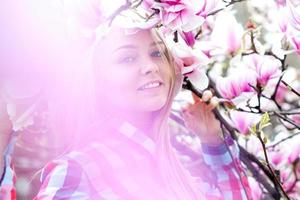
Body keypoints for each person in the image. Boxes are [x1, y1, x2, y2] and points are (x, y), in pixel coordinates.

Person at [1, 1, 252, 199]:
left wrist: (213, 141)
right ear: (96, 79)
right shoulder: (82, 170)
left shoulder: (176, 167)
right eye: (127, 58)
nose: (150, 67)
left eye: (156, 52)